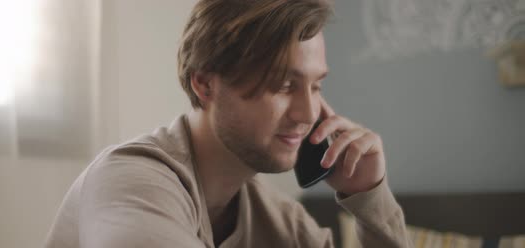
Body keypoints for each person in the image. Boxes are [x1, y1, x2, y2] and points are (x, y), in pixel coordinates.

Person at [45, 0, 412, 247]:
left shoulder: (286, 223)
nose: (308, 113)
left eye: (316, 86)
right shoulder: (129, 181)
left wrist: (370, 198)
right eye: (284, 85)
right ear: (206, 84)